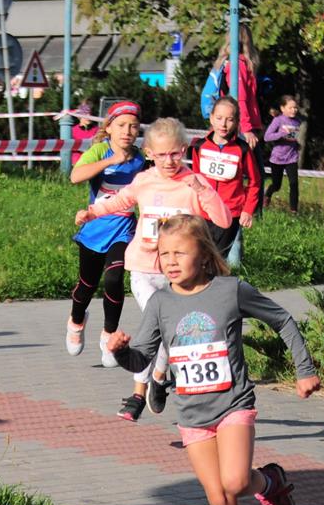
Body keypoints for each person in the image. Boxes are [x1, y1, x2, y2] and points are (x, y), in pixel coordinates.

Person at [104, 215, 320, 505]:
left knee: (234, 483)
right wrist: (121, 353)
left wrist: (304, 370)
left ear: (204, 255)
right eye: (164, 254)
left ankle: (270, 483)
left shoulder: (230, 291)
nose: (170, 261)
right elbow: (142, 359)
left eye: (180, 252)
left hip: (233, 403)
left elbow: (282, 319)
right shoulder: (160, 303)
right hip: (192, 415)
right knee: (219, 500)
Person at [75, 117, 231, 421]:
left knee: (165, 329)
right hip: (144, 269)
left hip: (181, 276)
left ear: (183, 150)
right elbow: (120, 201)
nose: (169, 161)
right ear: (149, 153)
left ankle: (155, 379)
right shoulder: (144, 181)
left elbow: (223, 219)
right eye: (161, 155)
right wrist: (92, 212)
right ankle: (142, 391)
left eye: (174, 154)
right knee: (158, 325)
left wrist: (202, 189)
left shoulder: (193, 183)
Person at [66, 100, 145, 366]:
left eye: (133, 126)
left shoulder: (141, 158)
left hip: (123, 229)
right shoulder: (100, 150)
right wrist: (111, 160)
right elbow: (75, 176)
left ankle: (109, 335)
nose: (127, 131)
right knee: (86, 285)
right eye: (121, 125)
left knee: (113, 279)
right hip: (94, 228)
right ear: (109, 127)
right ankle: (76, 321)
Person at [190, 96, 261, 261]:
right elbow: (195, 179)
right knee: (198, 257)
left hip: (229, 213)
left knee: (217, 259)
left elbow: (255, 181)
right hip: (203, 212)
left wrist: (248, 210)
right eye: (219, 118)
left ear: (236, 122)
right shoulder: (199, 146)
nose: (223, 124)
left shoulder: (242, 149)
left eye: (229, 120)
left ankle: (217, 277)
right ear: (211, 118)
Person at [263, 95, 302, 213]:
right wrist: (281, 134)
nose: (294, 110)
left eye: (295, 108)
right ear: (282, 108)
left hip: (291, 157)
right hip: (277, 158)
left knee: (294, 184)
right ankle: (268, 194)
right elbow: (267, 137)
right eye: (290, 108)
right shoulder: (278, 120)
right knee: (277, 185)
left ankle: (294, 211)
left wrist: (296, 144)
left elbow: (292, 138)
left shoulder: (297, 122)